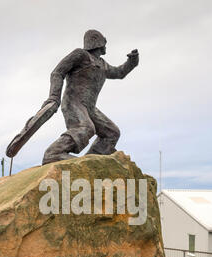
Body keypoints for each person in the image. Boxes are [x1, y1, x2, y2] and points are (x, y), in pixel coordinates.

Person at [42, 29, 139, 165]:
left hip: (90, 108)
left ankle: (91, 162)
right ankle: (53, 153)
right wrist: (53, 97)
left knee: (112, 133)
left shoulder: (102, 64)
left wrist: (132, 62)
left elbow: (119, 72)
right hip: (73, 103)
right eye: (104, 43)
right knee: (85, 128)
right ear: (97, 42)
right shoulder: (80, 55)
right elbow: (57, 73)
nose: (106, 46)